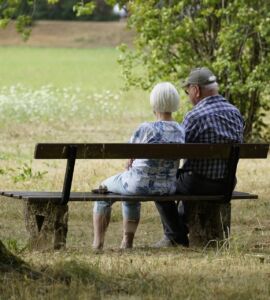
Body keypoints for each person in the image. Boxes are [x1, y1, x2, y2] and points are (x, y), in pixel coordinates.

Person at [154, 67, 245, 248]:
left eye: (188, 91)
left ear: (196, 90)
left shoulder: (194, 116)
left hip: (198, 183)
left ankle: (176, 235)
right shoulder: (235, 113)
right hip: (227, 183)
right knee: (186, 179)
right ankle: (176, 233)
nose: (188, 95)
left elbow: (177, 150)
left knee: (159, 185)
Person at [92, 82, 188, 250]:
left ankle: (98, 244)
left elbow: (129, 155)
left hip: (138, 185)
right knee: (129, 192)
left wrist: (131, 161)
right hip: (166, 188)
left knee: (103, 190)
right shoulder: (181, 130)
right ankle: (126, 242)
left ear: (154, 103)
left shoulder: (146, 128)